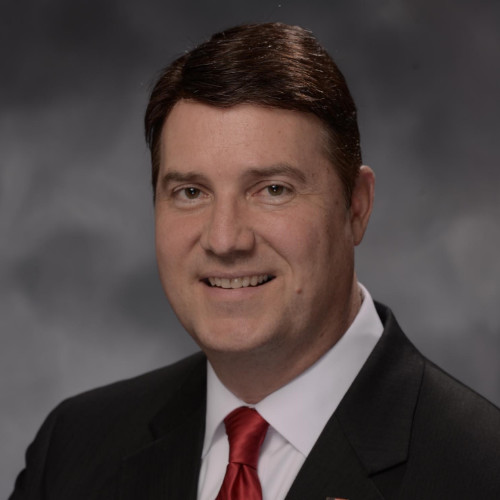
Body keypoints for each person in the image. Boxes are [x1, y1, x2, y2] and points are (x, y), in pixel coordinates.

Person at [10, 22, 500, 500]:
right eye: (190, 192)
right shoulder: (73, 448)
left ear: (356, 207)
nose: (225, 239)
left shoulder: (480, 469)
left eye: (273, 189)